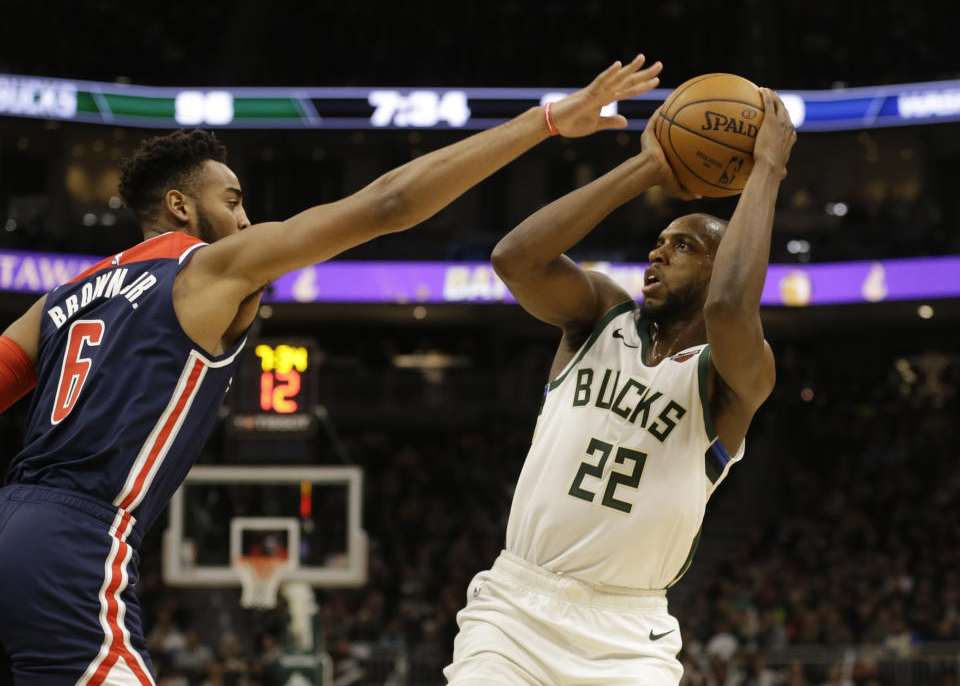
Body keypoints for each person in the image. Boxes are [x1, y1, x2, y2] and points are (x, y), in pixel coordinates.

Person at [0, 55, 662, 685]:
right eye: (232, 202)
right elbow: (388, 205)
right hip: (77, 541)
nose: (246, 219)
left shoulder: (61, 296)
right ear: (180, 206)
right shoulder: (207, 266)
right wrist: (546, 122)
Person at [444, 88, 797, 684]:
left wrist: (767, 168)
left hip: (629, 636)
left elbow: (733, 305)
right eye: (658, 241)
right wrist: (647, 168)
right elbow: (516, 260)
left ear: (717, 263)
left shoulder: (733, 375)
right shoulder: (602, 313)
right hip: (515, 612)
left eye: (682, 245)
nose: (657, 250)